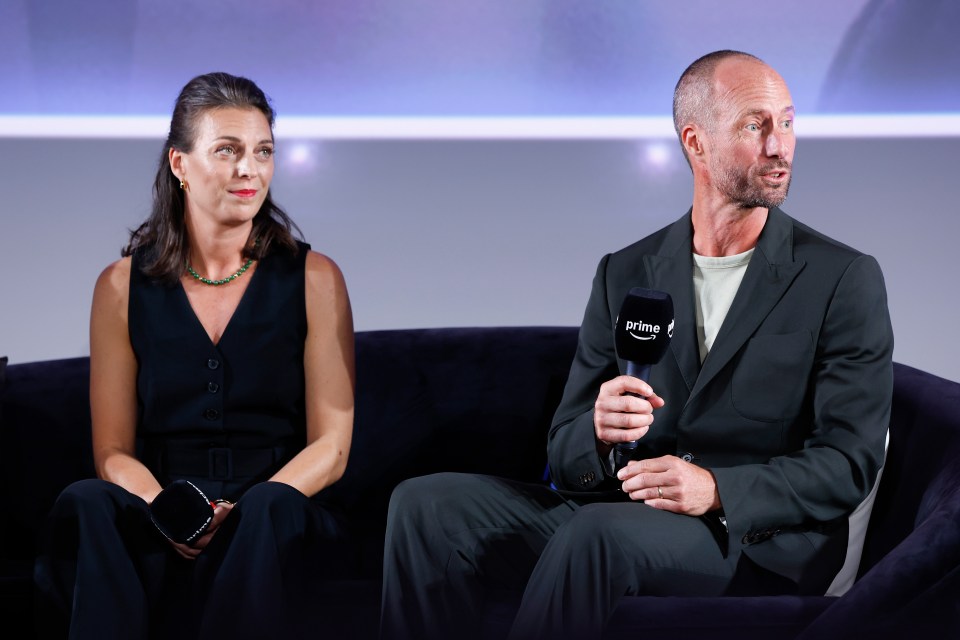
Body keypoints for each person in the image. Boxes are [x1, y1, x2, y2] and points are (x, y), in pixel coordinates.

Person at [378, 50, 894, 640]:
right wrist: (597, 433)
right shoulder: (625, 272)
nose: (780, 146)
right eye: (756, 126)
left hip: (750, 538)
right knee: (426, 505)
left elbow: (849, 461)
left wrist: (716, 489)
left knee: (598, 534)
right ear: (696, 142)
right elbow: (567, 452)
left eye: (788, 121)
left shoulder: (841, 277)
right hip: (623, 516)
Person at [34, 72, 355, 639]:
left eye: (262, 152)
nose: (248, 169)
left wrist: (256, 503)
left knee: (270, 514)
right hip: (163, 500)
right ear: (180, 165)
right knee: (85, 501)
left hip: (276, 501)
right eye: (227, 151)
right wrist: (170, 511)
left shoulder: (315, 277)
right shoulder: (119, 285)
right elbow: (111, 451)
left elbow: (331, 446)